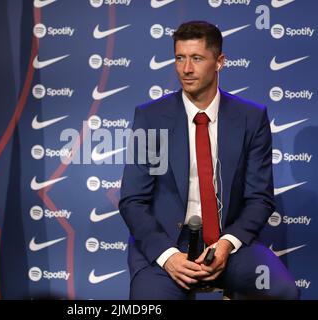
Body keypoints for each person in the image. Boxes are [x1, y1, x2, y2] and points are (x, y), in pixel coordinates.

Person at [119, 21, 299, 300]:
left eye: (197, 58)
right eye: (180, 58)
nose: (186, 69)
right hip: (165, 247)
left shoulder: (250, 118)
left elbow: (259, 198)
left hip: (230, 246)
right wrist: (168, 257)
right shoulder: (151, 118)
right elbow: (133, 201)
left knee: (283, 292)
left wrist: (227, 245)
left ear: (220, 62)